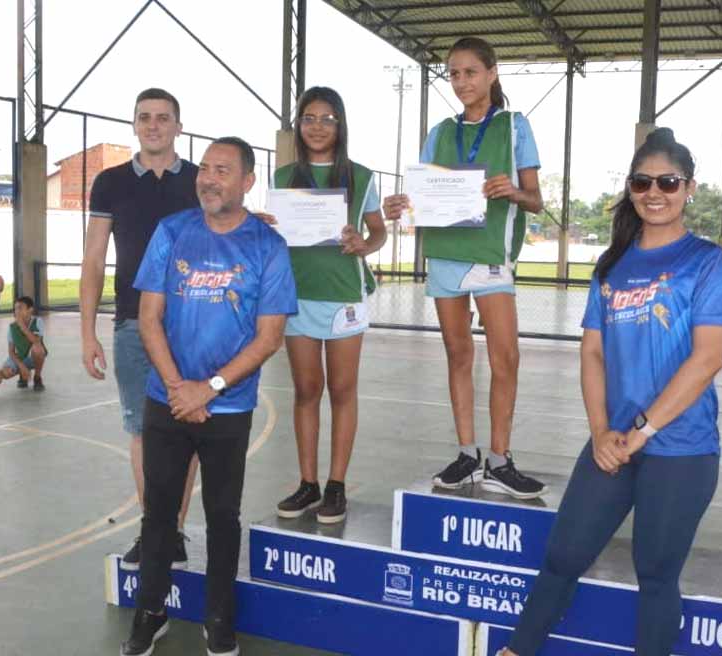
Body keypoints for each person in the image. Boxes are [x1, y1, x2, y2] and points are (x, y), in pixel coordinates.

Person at [499, 128, 722, 656]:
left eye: (668, 182)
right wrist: (601, 433)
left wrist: (640, 431)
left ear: (689, 187)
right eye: (643, 182)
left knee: (655, 574)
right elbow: (592, 354)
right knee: (563, 555)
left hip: (681, 449)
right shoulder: (612, 265)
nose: (655, 192)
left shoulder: (707, 262)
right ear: (630, 188)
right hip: (612, 445)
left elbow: (708, 359)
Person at [120, 137, 297, 656]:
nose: (209, 179)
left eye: (223, 170)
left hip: (229, 408)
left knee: (223, 517)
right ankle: (149, 613)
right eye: (205, 170)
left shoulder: (268, 248)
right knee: (157, 516)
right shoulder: (172, 232)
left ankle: (219, 618)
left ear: (247, 182)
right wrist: (179, 388)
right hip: (167, 402)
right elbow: (148, 318)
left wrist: (210, 388)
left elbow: (270, 337)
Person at [383, 37, 546, 499]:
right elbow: (424, 195)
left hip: (492, 255)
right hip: (446, 255)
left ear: (493, 73)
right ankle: (466, 453)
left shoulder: (515, 126)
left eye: (470, 72)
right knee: (458, 355)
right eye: (453, 73)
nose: (461, 82)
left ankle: (499, 458)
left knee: (505, 357)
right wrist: (401, 205)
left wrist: (511, 191)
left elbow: (535, 199)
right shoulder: (440, 131)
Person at [81, 88, 202, 571]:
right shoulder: (109, 183)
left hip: (192, 324)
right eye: (145, 118)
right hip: (132, 322)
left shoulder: (198, 180)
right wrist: (87, 332)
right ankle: (157, 528)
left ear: (178, 125)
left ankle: (172, 532)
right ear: (134, 125)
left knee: (189, 428)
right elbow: (93, 258)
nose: (154, 125)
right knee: (143, 432)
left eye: (163, 118)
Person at [272, 87, 388, 524]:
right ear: (299, 125)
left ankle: (336, 485)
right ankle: (308, 484)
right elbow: (276, 235)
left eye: (326, 119)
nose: (317, 127)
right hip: (297, 297)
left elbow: (377, 231)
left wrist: (365, 243)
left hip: (344, 297)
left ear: (340, 125)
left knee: (342, 392)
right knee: (305, 391)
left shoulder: (361, 176)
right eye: (308, 118)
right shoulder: (282, 178)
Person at [0, 296, 47, 391]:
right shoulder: (12, 327)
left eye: (20, 308)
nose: (17, 311)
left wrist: (22, 325)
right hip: (20, 357)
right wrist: (22, 367)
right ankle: (23, 374)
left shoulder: (38, 321)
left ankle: (37, 377)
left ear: (30, 310)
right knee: (4, 373)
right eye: (15, 308)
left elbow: (36, 341)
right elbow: (11, 352)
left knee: (37, 348)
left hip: (34, 357)